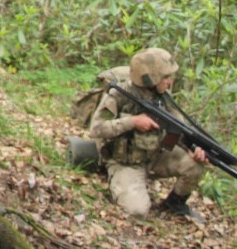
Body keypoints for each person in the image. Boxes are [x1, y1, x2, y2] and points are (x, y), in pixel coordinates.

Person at [89, 47, 208, 222]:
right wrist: (133, 122)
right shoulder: (120, 93)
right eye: (165, 77)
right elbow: (96, 129)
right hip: (124, 162)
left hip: (154, 155)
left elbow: (179, 127)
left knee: (194, 164)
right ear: (150, 79)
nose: (170, 82)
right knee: (137, 211)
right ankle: (115, 178)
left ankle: (175, 204)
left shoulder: (162, 97)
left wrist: (193, 147)